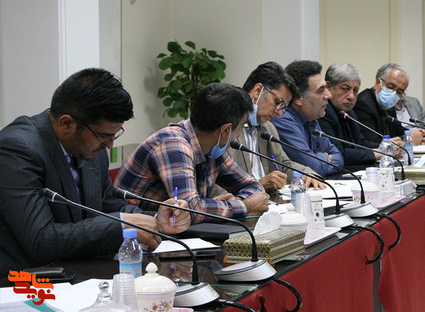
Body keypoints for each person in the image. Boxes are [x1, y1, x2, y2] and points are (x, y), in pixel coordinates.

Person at [0, 68, 190, 275]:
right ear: (66, 123)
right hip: (24, 281)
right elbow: (40, 239)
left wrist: (156, 219)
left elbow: (108, 206)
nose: (109, 145)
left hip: (79, 271)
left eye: (114, 135)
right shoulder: (17, 149)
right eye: (103, 136)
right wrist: (120, 226)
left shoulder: (91, 148)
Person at [115, 83, 268, 224]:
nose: (239, 134)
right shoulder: (173, 144)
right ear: (225, 130)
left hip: (171, 231)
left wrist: (236, 201)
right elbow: (190, 211)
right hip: (132, 233)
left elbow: (254, 187)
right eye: (241, 127)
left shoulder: (213, 148)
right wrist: (245, 205)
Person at [228, 61, 324, 191]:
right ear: (258, 91)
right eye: (278, 102)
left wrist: (306, 174)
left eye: (283, 107)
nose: (279, 113)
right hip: (243, 201)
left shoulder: (268, 128)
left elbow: (283, 164)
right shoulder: (226, 127)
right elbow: (214, 185)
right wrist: (258, 185)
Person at [271, 60, 344, 178]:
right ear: (298, 98)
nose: (328, 95)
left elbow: (338, 156)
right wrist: (325, 157)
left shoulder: (311, 118)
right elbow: (312, 168)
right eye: (320, 90)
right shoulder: (282, 119)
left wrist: (318, 157)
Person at [319, 63, 384, 169]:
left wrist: (385, 146)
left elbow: (359, 143)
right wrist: (375, 153)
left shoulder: (349, 112)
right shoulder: (323, 112)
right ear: (328, 86)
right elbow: (338, 153)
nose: (351, 96)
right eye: (345, 89)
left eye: (355, 91)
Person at [354, 63, 425, 145]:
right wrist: (408, 139)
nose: (394, 94)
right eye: (391, 87)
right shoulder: (363, 104)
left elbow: (398, 130)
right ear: (378, 83)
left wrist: (420, 135)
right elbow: (371, 142)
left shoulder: (389, 104)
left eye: (399, 92)